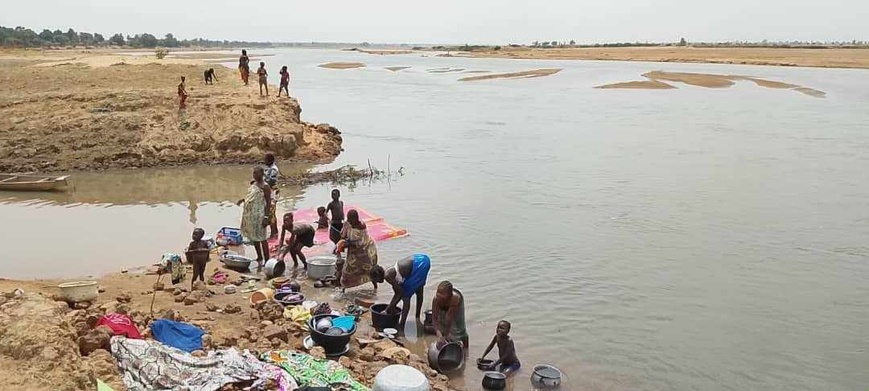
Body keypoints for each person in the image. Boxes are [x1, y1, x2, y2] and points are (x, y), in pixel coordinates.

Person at [369, 253, 431, 329]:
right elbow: (398, 293)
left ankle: (402, 325)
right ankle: (417, 317)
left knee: (406, 296)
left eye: (375, 279)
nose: (376, 282)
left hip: (419, 265)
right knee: (419, 289)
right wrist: (390, 308)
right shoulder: (388, 272)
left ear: (378, 276)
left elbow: (400, 292)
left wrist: (387, 310)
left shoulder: (387, 276)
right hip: (422, 259)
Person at [335, 209, 378, 290]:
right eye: (349, 220)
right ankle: (343, 288)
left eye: (352, 221)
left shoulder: (362, 226)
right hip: (354, 252)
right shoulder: (347, 223)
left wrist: (345, 244)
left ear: (356, 219)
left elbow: (359, 243)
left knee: (369, 270)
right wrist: (340, 244)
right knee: (347, 271)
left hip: (366, 251)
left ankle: (375, 287)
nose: (350, 223)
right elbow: (343, 236)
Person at [237, 167, 271, 269]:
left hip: (260, 215)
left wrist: (266, 217)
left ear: (262, 174)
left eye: (257, 173)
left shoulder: (265, 186)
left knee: (262, 238)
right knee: (255, 237)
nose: (255, 175)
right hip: (252, 216)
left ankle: (267, 260)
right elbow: (251, 197)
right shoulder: (254, 184)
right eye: (254, 173)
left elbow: (268, 202)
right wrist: (243, 200)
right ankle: (259, 257)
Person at [432, 281, 469, 351]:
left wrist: (445, 335)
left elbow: (449, 318)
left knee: (459, 328)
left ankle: (465, 350)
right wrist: (439, 334)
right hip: (444, 306)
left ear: (449, 295)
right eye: (437, 292)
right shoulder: (436, 299)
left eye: (442, 293)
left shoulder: (455, 298)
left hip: (456, 305)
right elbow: (434, 319)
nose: (438, 295)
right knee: (441, 324)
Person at [263, 153, 280, 237]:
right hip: (271, 192)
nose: (264, 161)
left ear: (270, 161)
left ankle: (274, 233)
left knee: (271, 213)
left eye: (265, 160)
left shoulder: (273, 169)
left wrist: (261, 184)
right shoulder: (270, 168)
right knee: (271, 212)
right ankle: (275, 230)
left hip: (272, 193)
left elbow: (271, 181)